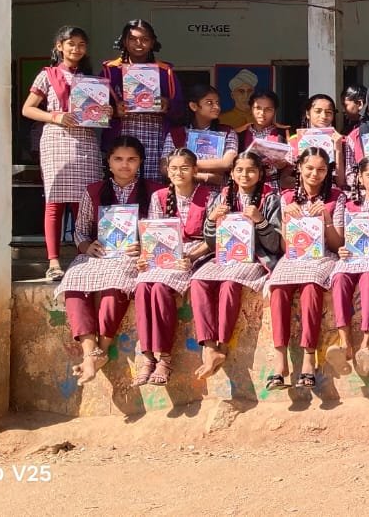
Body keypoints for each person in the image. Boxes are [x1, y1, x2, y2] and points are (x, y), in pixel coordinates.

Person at [60, 136, 154, 385]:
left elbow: (159, 230)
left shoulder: (153, 191)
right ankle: (90, 352)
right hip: (99, 254)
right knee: (73, 281)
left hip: (132, 256)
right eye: (118, 159)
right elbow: (80, 230)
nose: (125, 165)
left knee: (116, 284)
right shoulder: (93, 191)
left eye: (132, 159)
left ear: (140, 162)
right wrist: (86, 246)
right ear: (109, 162)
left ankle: (100, 349)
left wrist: (144, 246)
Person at [191, 151, 283, 381]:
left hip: (255, 257)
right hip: (224, 256)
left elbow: (274, 246)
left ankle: (223, 344)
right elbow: (211, 242)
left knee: (230, 284)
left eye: (251, 170)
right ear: (231, 173)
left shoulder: (270, 199)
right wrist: (211, 220)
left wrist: (260, 220)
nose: (245, 175)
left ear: (260, 173)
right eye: (239, 170)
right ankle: (209, 346)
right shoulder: (221, 197)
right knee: (198, 280)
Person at [23, 25, 104, 281]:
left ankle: (83, 256)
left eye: (81, 44)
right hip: (56, 141)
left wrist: (105, 113)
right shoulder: (47, 75)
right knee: (55, 202)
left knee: (85, 203)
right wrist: (55, 116)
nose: (76, 49)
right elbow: (27, 109)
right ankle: (54, 261)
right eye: (71, 44)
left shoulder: (92, 79)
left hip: (86, 142)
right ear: (59, 46)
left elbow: (100, 112)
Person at [132, 148, 214, 387]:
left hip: (194, 254)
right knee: (142, 287)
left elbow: (213, 238)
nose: (179, 173)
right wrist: (146, 257)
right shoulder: (159, 196)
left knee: (160, 288)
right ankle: (148, 356)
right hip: (165, 255)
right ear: (167, 171)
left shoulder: (209, 196)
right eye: (174, 168)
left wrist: (190, 256)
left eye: (185, 168)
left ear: (195, 170)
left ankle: (164, 357)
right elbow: (154, 234)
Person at [264, 148, 340, 391]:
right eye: (309, 168)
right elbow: (286, 247)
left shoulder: (337, 197)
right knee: (277, 288)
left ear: (327, 171)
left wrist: (326, 218)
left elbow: (337, 245)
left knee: (311, 287)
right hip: (294, 257)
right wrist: (287, 222)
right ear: (299, 168)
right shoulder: (286, 198)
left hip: (323, 256)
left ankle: (308, 359)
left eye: (321, 169)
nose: (314, 174)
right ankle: (280, 361)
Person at [331, 155, 369, 375]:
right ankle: (344, 341)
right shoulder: (349, 206)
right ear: (360, 177)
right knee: (339, 278)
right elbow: (341, 239)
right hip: (352, 257)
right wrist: (341, 249)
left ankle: (367, 342)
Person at [103, 19, 184, 182]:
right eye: (133, 39)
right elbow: (95, 111)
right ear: (124, 41)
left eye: (145, 39)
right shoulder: (110, 71)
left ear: (152, 42)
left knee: (154, 185)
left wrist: (167, 104)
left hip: (156, 137)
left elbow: (181, 110)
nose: (138, 44)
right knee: (122, 183)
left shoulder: (165, 72)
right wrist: (114, 111)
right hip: (122, 136)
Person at [164, 84, 237, 185]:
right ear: (194, 106)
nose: (216, 107)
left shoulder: (228, 132)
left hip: (217, 192)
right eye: (209, 103)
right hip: (184, 191)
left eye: (217, 102)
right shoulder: (175, 134)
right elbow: (164, 167)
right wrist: (206, 177)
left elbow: (228, 163)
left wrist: (183, 166)